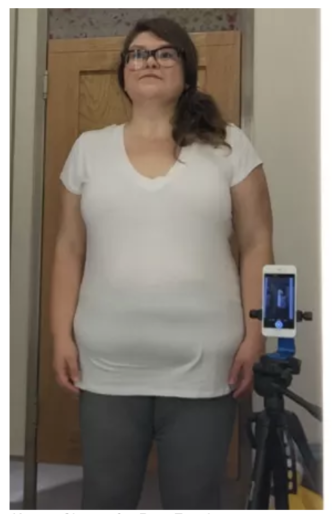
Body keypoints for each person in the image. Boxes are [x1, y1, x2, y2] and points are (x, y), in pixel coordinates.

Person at [49, 18, 273, 510]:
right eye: (137, 54)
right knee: (105, 499)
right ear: (124, 76)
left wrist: (256, 335)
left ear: (187, 73)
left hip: (205, 367)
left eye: (164, 54)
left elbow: (257, 243)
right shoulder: (88, 151)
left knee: (194, 500)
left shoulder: (229, 147)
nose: (149, 62)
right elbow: (69, 248)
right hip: (107, 366)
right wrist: (60, 335)